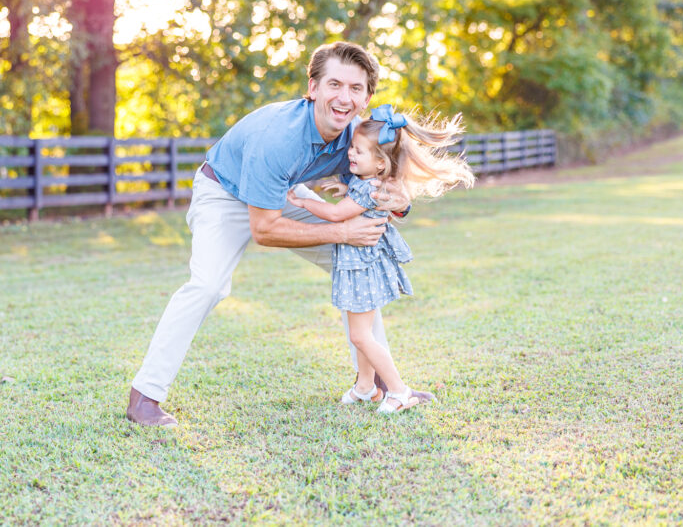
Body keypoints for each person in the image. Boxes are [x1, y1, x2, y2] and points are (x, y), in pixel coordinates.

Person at [127, 42, 417, 427]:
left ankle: (379, 382)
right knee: (208, 285)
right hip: (224, 192)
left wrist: (401, 205)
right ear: (312, 87)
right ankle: (145, 397)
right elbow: (264, 229)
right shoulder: (277, 137)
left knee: (355, 260)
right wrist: (342, 230)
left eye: (355, 88)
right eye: (334, 84)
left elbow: (371, 193)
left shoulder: (358, 137)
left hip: (285, 193)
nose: (343, 97)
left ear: (367, 97)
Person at [285, 104, 475, 413]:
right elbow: (355, 195)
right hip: (358, 266)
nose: (350, 155)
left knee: (360, 335)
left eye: (358, 151)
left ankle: (400, 392)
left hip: (361, 268)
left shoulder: (370, 188)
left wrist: (302, 202)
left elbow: (336, 213)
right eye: (352, 148)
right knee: (362, 331)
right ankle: (365, 387)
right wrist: (345, 186)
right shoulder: (366, 182)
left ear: (380, 162)